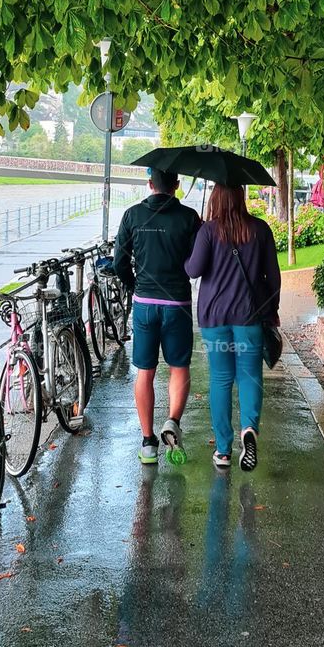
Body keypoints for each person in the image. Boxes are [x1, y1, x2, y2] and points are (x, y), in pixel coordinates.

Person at [185, 185, 281, 471]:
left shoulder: (208, 231)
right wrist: (272, 312)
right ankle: (249, 429)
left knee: (221, 378)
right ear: (242, 198)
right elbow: (273, 278)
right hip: (249, 317)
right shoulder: (260, 230)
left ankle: (223, 451)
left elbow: (192, 270)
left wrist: (194, 244)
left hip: (214, 319)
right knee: (250, 376)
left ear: (215, 199)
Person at [113, 168, 201, 465]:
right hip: (177, 303)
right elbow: (196, 263)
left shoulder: (132, 215)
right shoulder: (189, 218)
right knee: (179, 368)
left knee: (145, 372)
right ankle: (173, 420)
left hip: (145, 303)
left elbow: (119, 262)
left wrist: (134, 286)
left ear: (150, 184)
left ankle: (148, 443)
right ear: (177, 185)